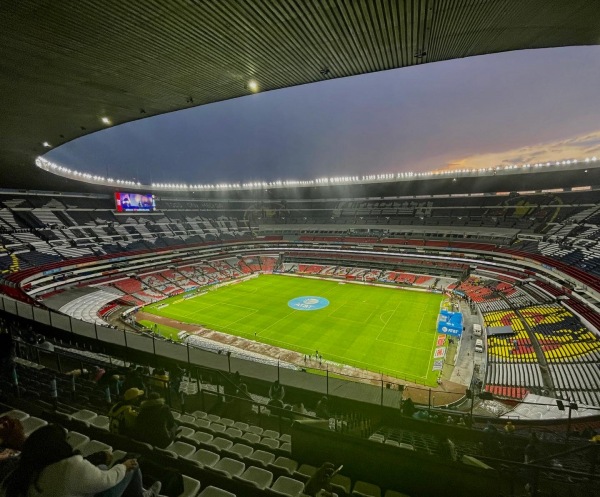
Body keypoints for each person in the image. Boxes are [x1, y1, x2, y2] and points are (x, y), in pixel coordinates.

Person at [0, 424, 161, 497]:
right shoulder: (70, 466)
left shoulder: (27, 471)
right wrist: (123, 466)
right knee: (131, 466)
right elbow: (108, 479)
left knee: (103, 466)